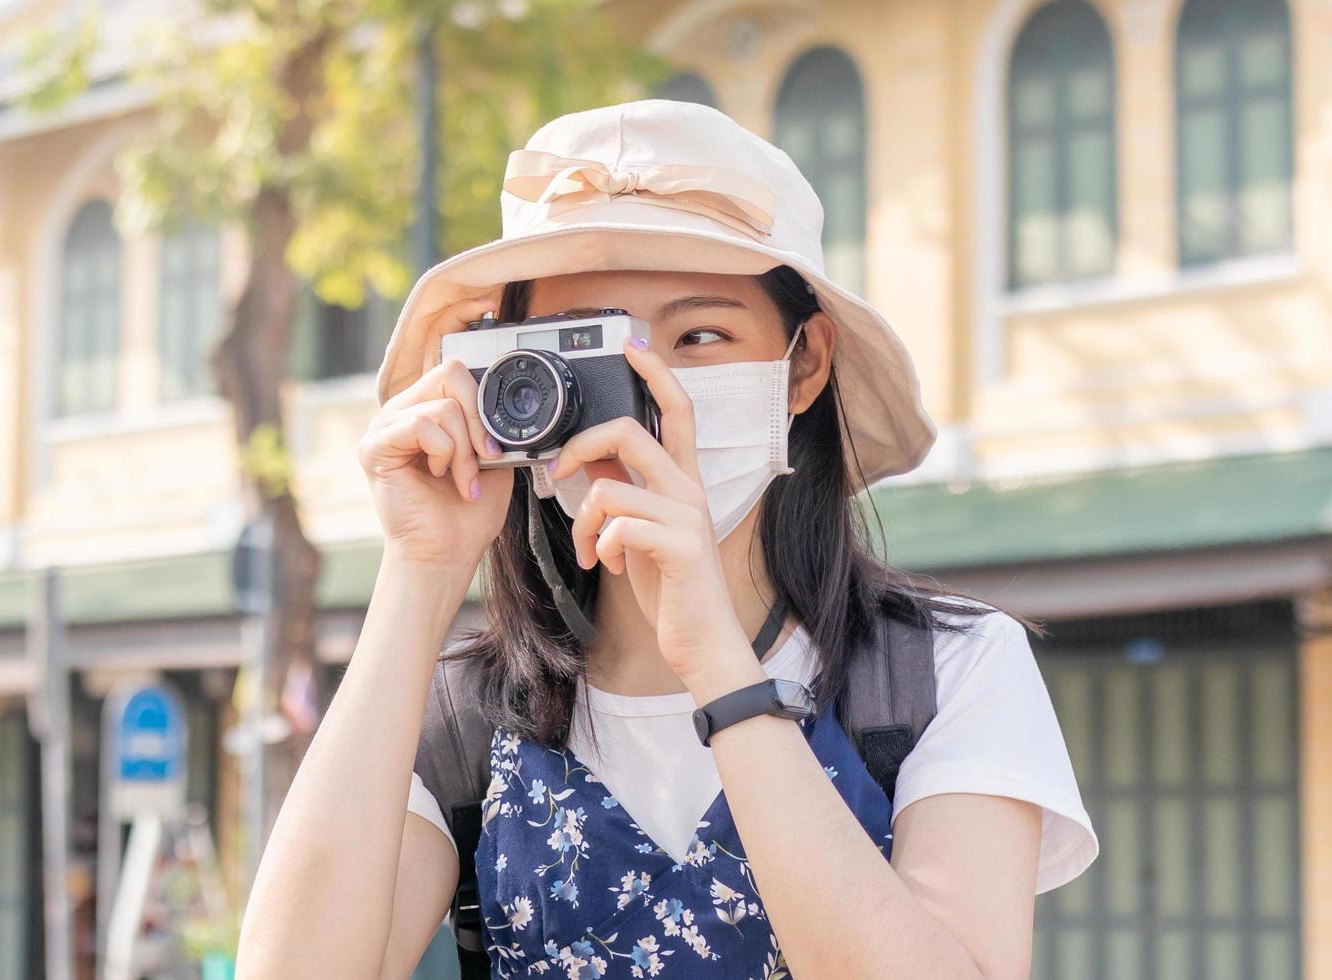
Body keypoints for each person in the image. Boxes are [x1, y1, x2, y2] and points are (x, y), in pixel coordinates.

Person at [237, 99, 1097, 979]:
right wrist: (418, 575)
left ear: (804, 365)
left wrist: (719, 664)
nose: (648, 398)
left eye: (698, 336)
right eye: (587, 348)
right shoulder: (465, 717)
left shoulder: (944, 673)